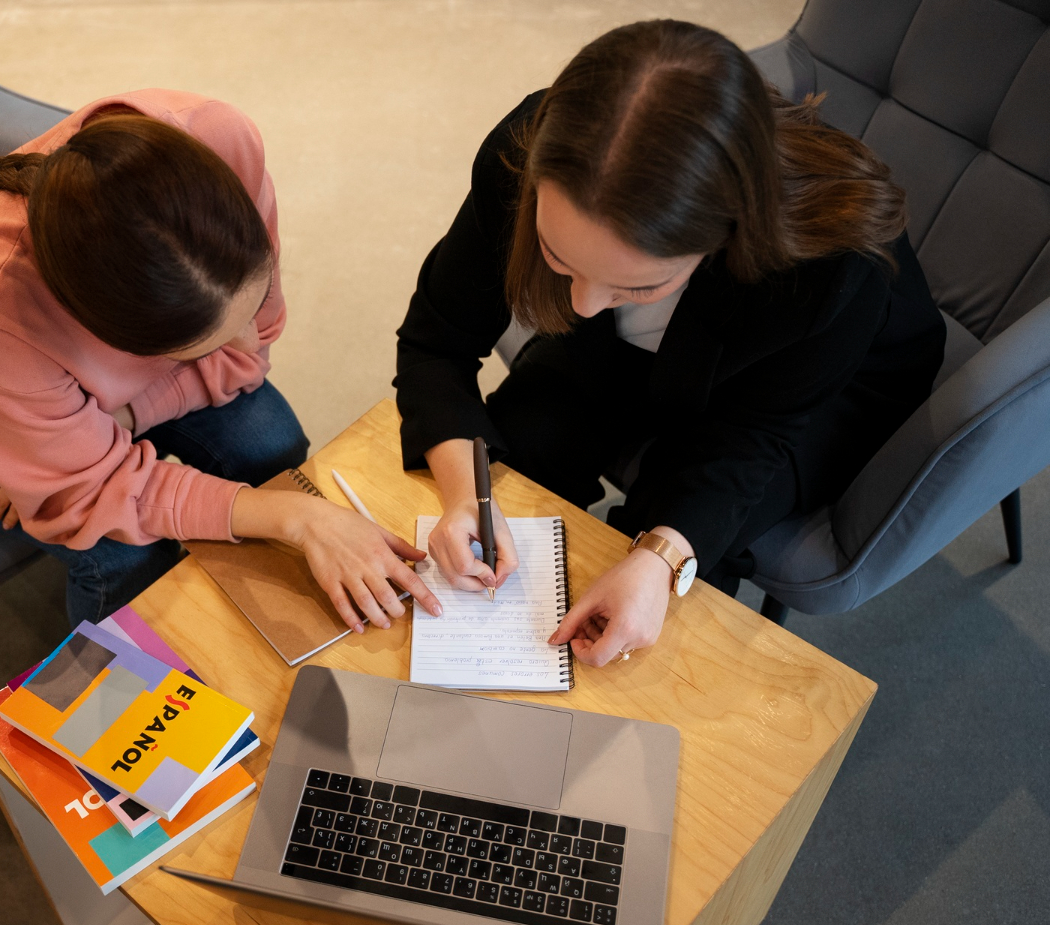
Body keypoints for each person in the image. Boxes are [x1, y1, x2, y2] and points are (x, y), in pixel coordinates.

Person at [393, 22, 944, 667]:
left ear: (724, 237)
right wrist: (466, 497)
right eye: (557, 255)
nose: (579, 306)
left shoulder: (835, 265)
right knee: (526, 443)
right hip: (652, 350)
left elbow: (751, 440)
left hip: (824, 390)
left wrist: (660, 558)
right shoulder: (525, 155)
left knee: (689, 557)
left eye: (637, 282)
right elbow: (436, 340)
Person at [0, 90, 441, 630]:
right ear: (119, 341)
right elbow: (84, 501)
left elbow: (249, 355)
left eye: (250, 299)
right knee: (121, 555)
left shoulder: (221, 142)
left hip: (57, 390)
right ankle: (115, 702)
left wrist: (118, 424)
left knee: (272, 444)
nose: (241, 339)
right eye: (202, 347)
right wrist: (293, 519)